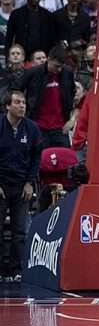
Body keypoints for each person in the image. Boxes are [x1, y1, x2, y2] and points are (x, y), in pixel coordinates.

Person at [0, 90, 41, 282]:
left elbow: (35, 158)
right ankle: (1, 270)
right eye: (17, 102)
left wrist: (29, 183)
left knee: (20, 230)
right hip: (1, 184)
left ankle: (16, 270)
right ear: (7, 106)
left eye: (23, 102)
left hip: (22, 184)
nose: (22, 106)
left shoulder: (32, 128)